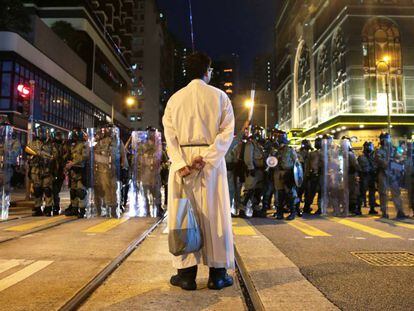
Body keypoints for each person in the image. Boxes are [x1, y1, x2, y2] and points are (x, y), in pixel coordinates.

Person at [163, 52, 235, 291]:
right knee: (215, 216)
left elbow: (169, 136)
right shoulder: (220, 96)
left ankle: (186, 274)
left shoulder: (174, 99)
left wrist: (180, 163)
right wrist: (207, 158)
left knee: (183, 216)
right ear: (208, 70)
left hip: (183, 166)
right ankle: (217, 274)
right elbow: (227, 133)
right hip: (210, 167)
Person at [375, 133, 406, 219]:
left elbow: (400, 158)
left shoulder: (394, 149)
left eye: (387, 139)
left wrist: (397, 161)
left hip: (393, 173)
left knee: (396, 192)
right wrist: (387, 161)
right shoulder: (378, 150)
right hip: (383, 173)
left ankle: (400, 211)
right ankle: (384, 212)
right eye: (384, 139)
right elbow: (379, 160)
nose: (386, 141)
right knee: (383, 193)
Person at [273, 132, 299, 220]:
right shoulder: (276, 152)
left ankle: (293, 212)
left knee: (289, 194)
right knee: (279, 194)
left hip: (287, 173)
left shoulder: (290, 150)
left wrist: (294, 175)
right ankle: (279, 213)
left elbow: (296, 162)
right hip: (278, 173)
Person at [358, 141, 378, 215]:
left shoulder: (373, 156)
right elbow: (359, 167)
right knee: (362, 193)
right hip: (364, 176)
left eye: (370, 146)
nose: (369, 148)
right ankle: (359, 209)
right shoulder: (361, 157)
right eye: (367, 146)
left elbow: (376, 166)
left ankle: (372, 208)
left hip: (371, 176)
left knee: (372, 193)